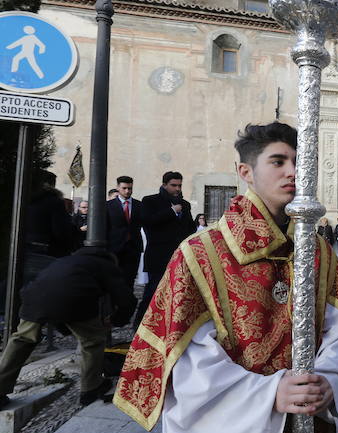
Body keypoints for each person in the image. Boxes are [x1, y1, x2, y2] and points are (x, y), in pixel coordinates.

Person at [113, 122, 338, 433]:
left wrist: (330, 382)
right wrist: (270, 393)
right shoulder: (201, 253)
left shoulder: (320, 252)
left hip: (314, 426)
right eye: (278, 162)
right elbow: (188, 360)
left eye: (299, 162)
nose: (293, 172)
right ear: (245, 172)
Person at [0, 247, 136, 407]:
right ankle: (91, 388)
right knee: (93, 341)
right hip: (73, 299)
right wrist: (116, 320)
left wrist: (64, 327)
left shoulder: (66, 261)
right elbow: (126, 300)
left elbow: (56, 295)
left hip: (34, 298)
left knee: (21, 339)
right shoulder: (106, 265)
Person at [134, 171, 195, 329]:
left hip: (179, 258)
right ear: (164, 185)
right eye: (173, 185)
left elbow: (190, 229)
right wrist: (172, 212)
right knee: (152, 293)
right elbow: (147, 221)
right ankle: (139, 327)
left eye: (179, 185)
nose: (177, 188)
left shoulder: (185, 205)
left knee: (178, 295)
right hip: (158, 257)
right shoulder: (150, 201)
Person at [106, 176, 143, 293]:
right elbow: (105, 227)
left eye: (130, 188)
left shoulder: (139, 205)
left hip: (133, 248)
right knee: (114, 280)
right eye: (124, 188)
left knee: (129, 280)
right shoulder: (109, 206)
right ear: (118, 188)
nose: (127, 191)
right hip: (114, 249)